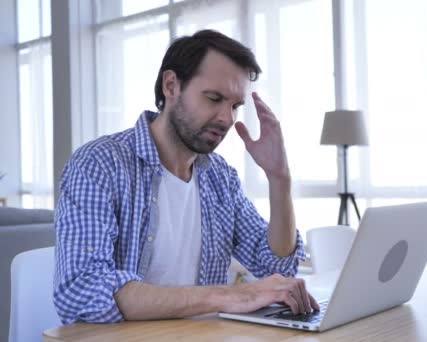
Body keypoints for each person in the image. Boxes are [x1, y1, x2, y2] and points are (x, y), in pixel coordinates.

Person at [53, 29, 319, 324]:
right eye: (214, 98)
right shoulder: (99, 164)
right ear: (171, 86)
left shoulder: (220, 177)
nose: (227, 119)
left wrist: (279, 178)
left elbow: (275, 264)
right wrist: (229, 296)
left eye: (234, 106)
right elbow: (82, 290)